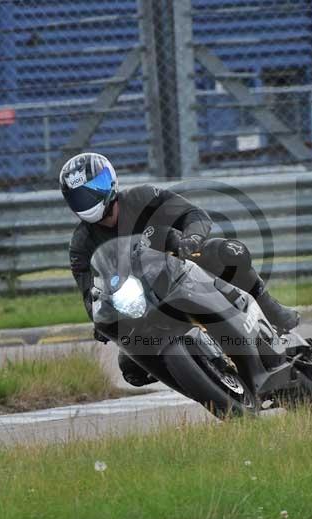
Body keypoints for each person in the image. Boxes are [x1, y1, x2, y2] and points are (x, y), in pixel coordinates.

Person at [61, 152, 299, 386]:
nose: (90, 197)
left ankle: (272, 310)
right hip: (140, 302)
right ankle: (201, 378)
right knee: (131, 368)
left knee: (227, 252)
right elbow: (89, 293)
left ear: (110, 181)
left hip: (180, 265)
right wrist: (100, 320)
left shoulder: (141, 197)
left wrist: (192, 237)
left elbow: (192, 214)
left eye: (95, 186)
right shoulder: (81, 244)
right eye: (81, 195)